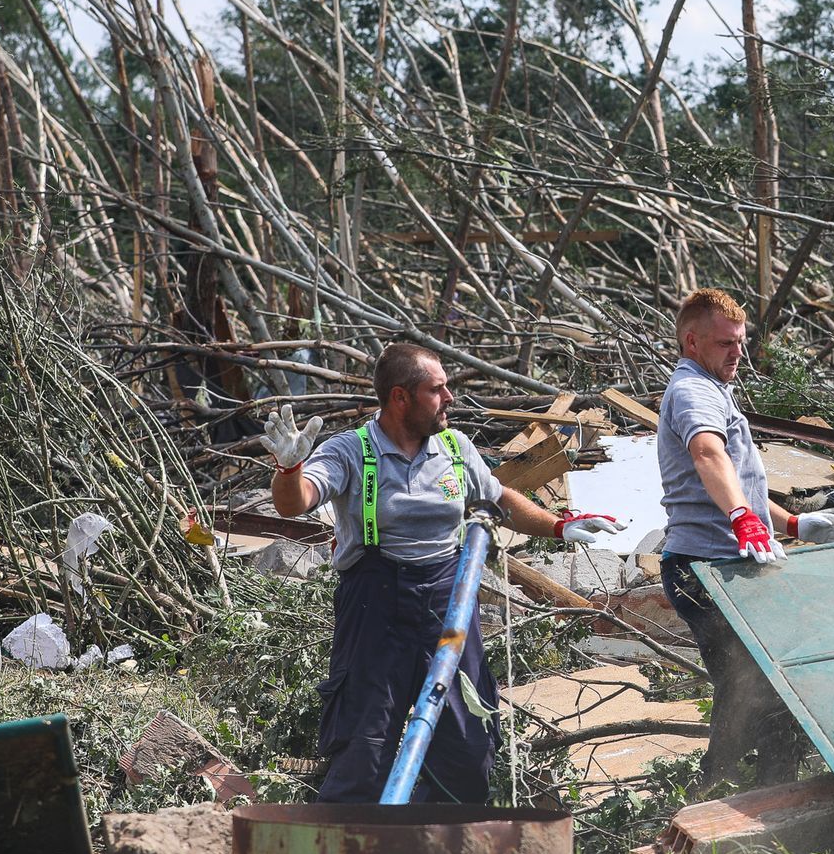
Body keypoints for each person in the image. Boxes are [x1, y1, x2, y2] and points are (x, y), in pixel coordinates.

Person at [260, 343, 622, 803]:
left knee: (469, 748)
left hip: (447, 609)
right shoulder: (351, 451)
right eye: (437, 389)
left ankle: (431, 848)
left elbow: (500, 500)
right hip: (375, 614)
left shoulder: (454, 447)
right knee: (363, 752)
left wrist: (559, 525)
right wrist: (289, 467)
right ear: (400, 398)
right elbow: (295, 501)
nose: (450, 397)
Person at [657, 289, 834, 791]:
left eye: (740, 343)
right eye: (725, 343)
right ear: (692, 341)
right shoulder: (693, 392)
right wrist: (742, 518)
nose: (736, 353)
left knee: (767, 679)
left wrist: (790, 524)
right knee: (751, 682)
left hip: (728, 561)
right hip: (706, 568)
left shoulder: (714, 387)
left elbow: (736, 480)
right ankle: (716, 790)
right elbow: (707, 456)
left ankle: (772, 792)